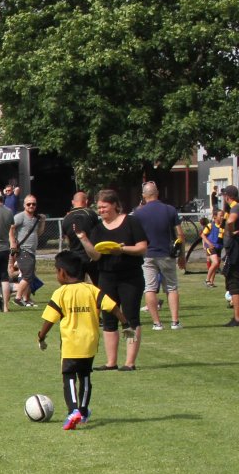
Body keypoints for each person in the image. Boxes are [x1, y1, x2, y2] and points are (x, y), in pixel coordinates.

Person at [38, 252, 132, 430]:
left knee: (69, 377)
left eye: (57, 271)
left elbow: (49, 320)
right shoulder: (92, 290)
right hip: (90, 343)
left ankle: (73, 411)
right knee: (85, 377)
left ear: (63, 272)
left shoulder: (60, 293)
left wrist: (41, 337)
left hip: (71, 344)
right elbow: (112, 306)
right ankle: (83, 411)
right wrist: (126, 324)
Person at [74, 189, 148, 371]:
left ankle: (129, 362)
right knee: (108, 318)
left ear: (115, 205)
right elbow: (96, 256)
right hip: (106, 277)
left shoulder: (131, 222)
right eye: (99, 208)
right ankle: (111, 362)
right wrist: (83, 239)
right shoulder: (98, 229)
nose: (101, 211)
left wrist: (122, 250)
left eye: (104, 207)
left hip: (130, 276)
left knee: (130, 317)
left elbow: (142, 247)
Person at [133, 182, 182, 330]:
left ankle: (157, 323)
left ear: (143, 195)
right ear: (157, 193)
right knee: (171, 287)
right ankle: (175, 322)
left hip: (147, 254)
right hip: (167, 253)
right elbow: (180, 234)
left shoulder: (138, 213)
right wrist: (182, 255)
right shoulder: (170, 209)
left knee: (150, 288)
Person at [11, 195, 46, 307]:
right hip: (23, 250)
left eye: (33, 204)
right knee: (27, 276)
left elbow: (38, 233)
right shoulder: (20, 217)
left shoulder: (35, 218)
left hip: (32, 251)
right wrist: (13, 243)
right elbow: (11, 228)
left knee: (30, 275)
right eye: (29, 204)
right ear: (24, 205)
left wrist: (42, 222)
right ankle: (18, 298)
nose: (31, 206)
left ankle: (26, 298)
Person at [221, 185, 239, 327]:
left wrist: (231, 232)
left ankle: (237, 318)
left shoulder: (235, 208)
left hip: (235, 252)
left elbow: (231, 221)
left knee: (234, 284)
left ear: (228, 196)